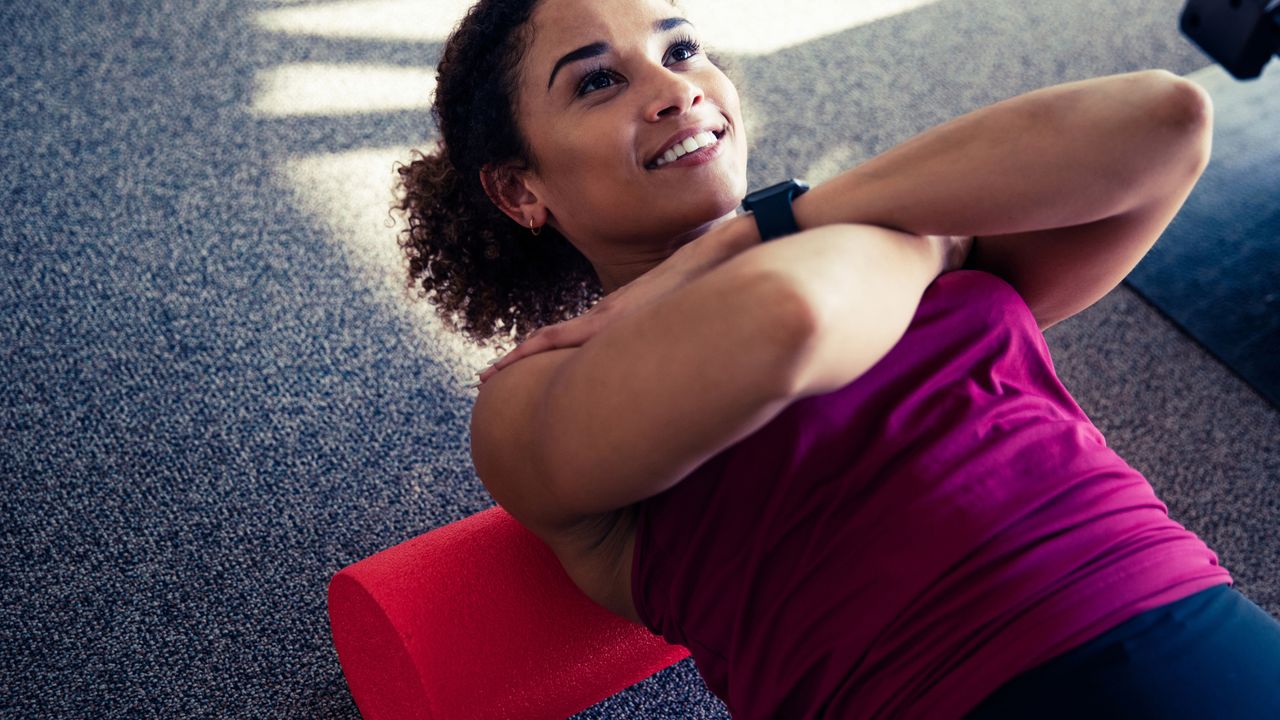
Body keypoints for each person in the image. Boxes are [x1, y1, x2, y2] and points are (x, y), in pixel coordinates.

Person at [395, 0, 1280, 716]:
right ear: (520, 190)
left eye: (683, 46)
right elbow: (792, 316)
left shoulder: (873, 221)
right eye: (597, 81)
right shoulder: (530, 398)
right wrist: (920, 240)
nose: (676, 90)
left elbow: (1169, 119)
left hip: (1190, 624)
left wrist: (765, 226)